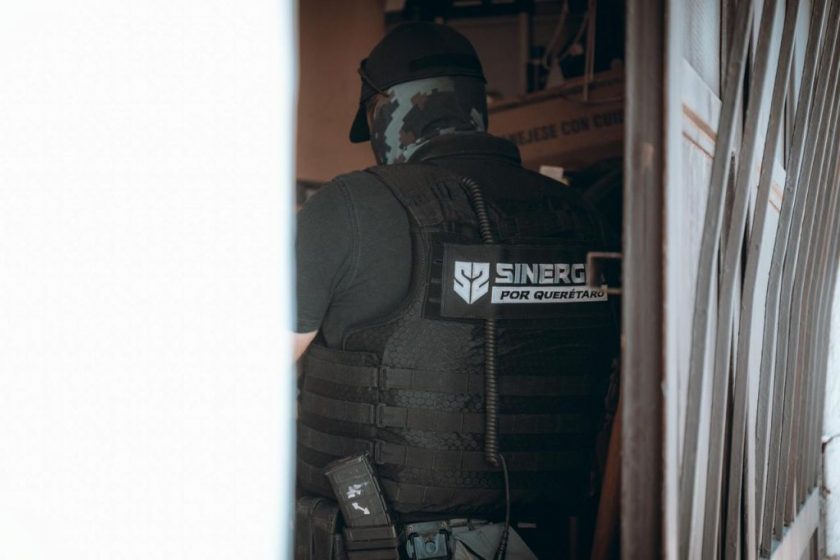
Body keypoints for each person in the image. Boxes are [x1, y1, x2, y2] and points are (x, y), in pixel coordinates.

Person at [294, 21, 617, 560]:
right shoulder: (581, 217)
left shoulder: (350, 206)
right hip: (554, 539)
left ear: (384, 113)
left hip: (380, 540)